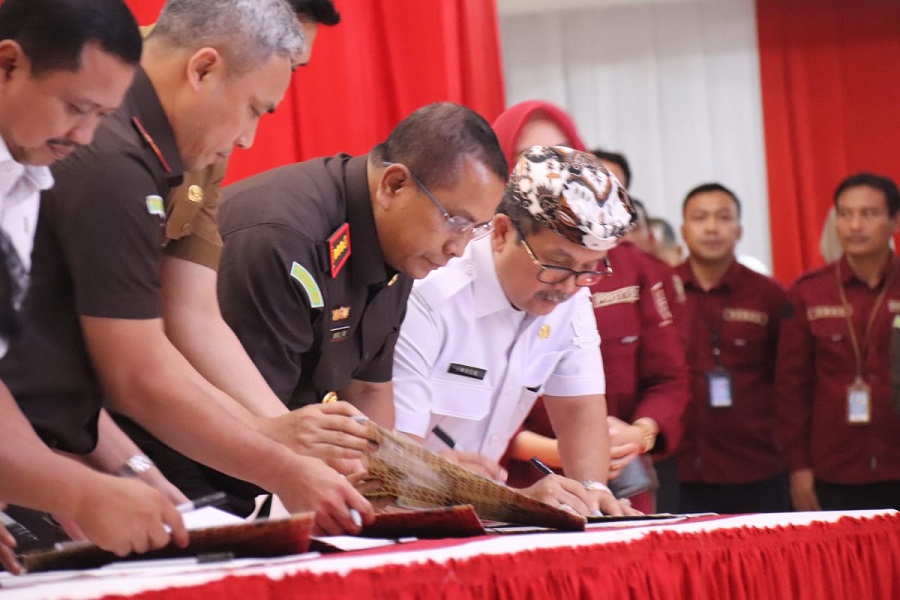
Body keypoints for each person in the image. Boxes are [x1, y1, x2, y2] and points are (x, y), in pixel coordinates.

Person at [0, 0, 372, 536]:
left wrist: (117, 473)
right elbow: (136, 374)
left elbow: (183, 318)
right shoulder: (105, 157)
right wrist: (279, 460)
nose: (83, 135)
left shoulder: (43, 161)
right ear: (204, 67)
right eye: (253, 110)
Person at [117, 0, 354, 518]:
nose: (249, 135)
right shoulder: (103, 108)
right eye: (284, 58)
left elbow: (191, 313)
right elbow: (130, 364)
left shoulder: (200, 132)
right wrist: (275, 455)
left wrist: (282, 434)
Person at [0, 0, 188, 565]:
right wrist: (77, 488)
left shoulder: (27, 172)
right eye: (76, 107)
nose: (83, 135)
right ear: (8, 65)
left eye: (102, 116)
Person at [391, 146, 637, 516]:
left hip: (476, 521)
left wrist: (592, 493)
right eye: (557, 263)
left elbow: (579, 410)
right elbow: (389, 461)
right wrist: (509, 502)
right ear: (503, 232)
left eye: (589, 269)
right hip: (395, 515)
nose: (570, 287)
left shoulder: (572, 296)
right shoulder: (430, 295)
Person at [492, 102, 688, 515]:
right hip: (507, 481)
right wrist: (551, 449)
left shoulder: (626, 265)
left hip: (608, 476)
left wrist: (639, 434)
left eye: (564, 152)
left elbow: (667, 376)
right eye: (530, 157)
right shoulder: (461, 264)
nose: (554, 168)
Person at [777, 172, 900, 511]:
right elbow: (792, 389)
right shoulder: (809, 292)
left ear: (894, 221)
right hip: (835, 469)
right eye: (845, 214)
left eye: (868, 214)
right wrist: (799, 468)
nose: (855, 225)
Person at [675, 183, 789, 513]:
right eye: (700, 218)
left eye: (723, 218)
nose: (711, 228)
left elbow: (788, 382)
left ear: (739, 230)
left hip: (756, 468)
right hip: (681, 470)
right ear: (684, 230)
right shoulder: (663, 291)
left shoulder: (769, 296)